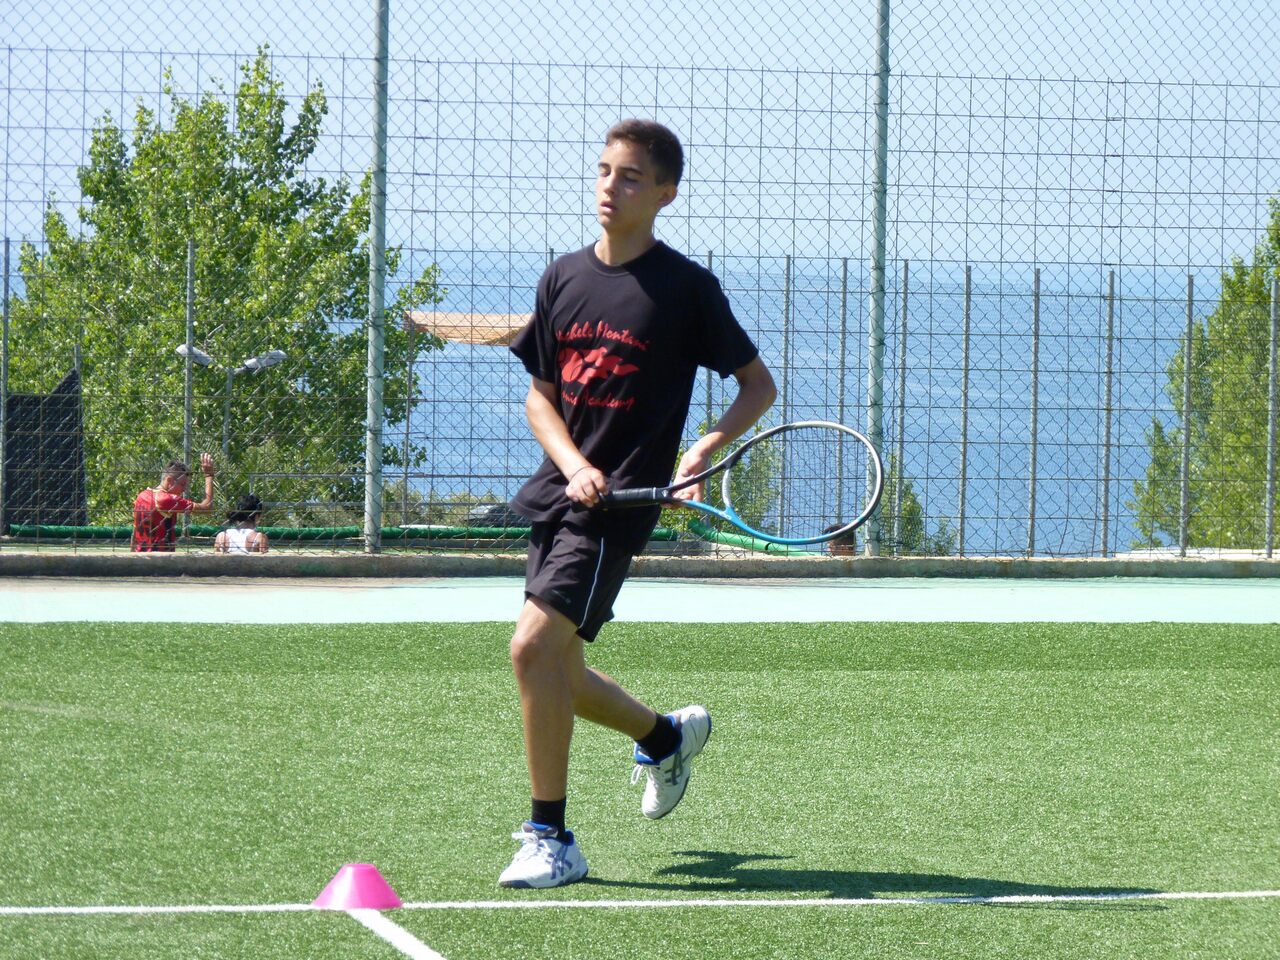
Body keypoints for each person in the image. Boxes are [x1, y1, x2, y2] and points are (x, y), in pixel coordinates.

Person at [499, 119, 777, 889]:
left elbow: (758, 386)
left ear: (665, 194)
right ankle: (663, 739)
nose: (610, 187)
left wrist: (700, 452)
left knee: (530, 649)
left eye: (629, 177)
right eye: (603, 171)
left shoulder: (687, 290)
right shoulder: (561, 278)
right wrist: (574, 464)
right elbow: (540, 399)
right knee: (559, 672)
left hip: (617, 510)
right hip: (559, 495)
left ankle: (551, 838)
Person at [131, 453, 217, 552]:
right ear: (170, 480)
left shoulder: (141, 496)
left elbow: (134, 533)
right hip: (161, 557)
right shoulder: (166, 499)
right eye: (182, 484)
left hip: (140, 555)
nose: (184, 489)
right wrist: (209, 475)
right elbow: (207, 508)